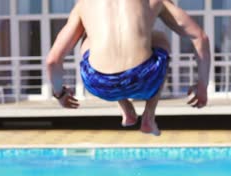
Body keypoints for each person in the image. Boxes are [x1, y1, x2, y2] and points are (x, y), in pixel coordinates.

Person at [46, 0, 211, 136]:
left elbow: (53, 60)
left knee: (88, 40)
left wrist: (59, 93)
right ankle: (149, 116)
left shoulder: (83, 5)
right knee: (160, 38)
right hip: (144, 78)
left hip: (100, 83)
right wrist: (202, 86)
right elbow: (200, 37)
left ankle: (126, 108)